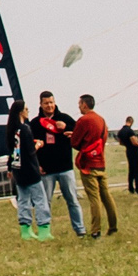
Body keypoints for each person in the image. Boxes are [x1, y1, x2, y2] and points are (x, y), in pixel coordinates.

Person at [28, 91, 87, 236]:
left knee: (72, 200)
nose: (49, 106)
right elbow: (29, 146)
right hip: (46, 170)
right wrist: (37, 165)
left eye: (51, 102)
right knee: (44, 202)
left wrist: (67, 128)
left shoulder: (65, 118)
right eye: (46, 103)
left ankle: (80, 230)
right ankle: (44, 230)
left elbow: (79, 134)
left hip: (65, 168)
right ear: (41, 104)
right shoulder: (35, 123)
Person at [4, 101, 53, 240]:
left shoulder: (12, 130)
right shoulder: (25, 129)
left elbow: (12, 151)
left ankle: (25, 230)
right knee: (40, 199)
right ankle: (44, 229)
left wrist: (10, 167)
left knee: (23, 200)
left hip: (18, 171)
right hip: (30, 170)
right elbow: (30, 152)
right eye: (26, 109)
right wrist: (37, 144)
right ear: (21, 112)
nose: (28, 111)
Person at [73, 95, 118, 237]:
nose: (79, 106)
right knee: (106, 196)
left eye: (80, 103)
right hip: (100, 163)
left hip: (88, 165)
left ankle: (95, 230)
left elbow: (74, 142)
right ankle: (113, 226)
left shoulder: (83, 120)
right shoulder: (101, 120)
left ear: (85, 104)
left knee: (94, 199)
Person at [116, 116, 138, 194]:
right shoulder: (130, 131)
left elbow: (120, 143)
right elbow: (134, 143)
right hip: (134, 152)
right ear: (131, 122)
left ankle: (130, 188)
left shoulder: (120, 132)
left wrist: (127, 144)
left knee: (131, 170)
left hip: (128, 151)